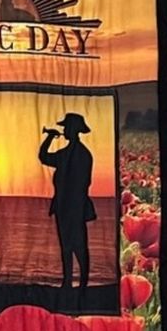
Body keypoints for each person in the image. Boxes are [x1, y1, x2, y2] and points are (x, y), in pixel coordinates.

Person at [38, 112, 96, 290]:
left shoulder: (82, 154)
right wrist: (49, 137)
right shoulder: (67, 154)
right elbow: (44, 157)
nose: (64, 130)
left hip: (74, 206)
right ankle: (68, 281)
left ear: (74, 130)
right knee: (66, 245)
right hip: (64, 206)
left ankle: (82, 283)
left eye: (66, 127)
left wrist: (49, 137)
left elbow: (84, 183)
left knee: (78, 245)